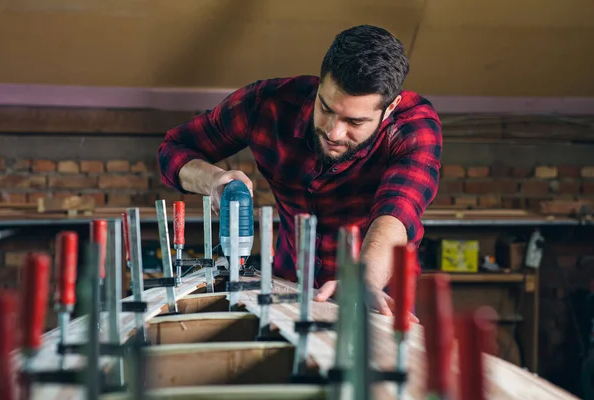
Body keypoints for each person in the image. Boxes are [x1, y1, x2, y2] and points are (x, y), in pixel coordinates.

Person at [158, 24, 442, 318]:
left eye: (354, 122)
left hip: (376, 297)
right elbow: (173, 148)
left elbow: (397, 213)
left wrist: (364, 279)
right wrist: (213, 180)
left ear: (391, 107)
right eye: (326, 108)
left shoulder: (413, 127)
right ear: (321, 83)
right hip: (288, 289)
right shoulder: (267, 104)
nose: (333, 132)